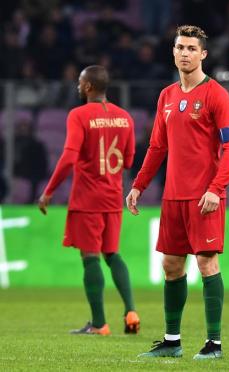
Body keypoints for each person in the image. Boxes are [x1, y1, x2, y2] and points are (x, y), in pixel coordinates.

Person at [126, 25, 229, 360]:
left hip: (204, 196)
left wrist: (216, 189)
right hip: (173, 197)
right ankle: (172, 341)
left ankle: (214, 344)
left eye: (192, 48)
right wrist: (138, 185)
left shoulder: (217, 95)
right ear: (173, 52)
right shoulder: (166, 96)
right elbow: (157, 147)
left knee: (206, 263)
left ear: (203, 54)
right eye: (180, 47)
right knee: (172, 266)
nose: (185, 53)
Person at [37, 65, 139, 336]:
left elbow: (69, 156)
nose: (78, 86)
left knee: (90, 257)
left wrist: (48, 191)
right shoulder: (125, 117)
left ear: (89, 87)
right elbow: (128, 160)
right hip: (113, 198)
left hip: (87, 199)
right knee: (113, 254)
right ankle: (131, 310)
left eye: (81, 83)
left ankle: (98, 324)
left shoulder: (79, 115)